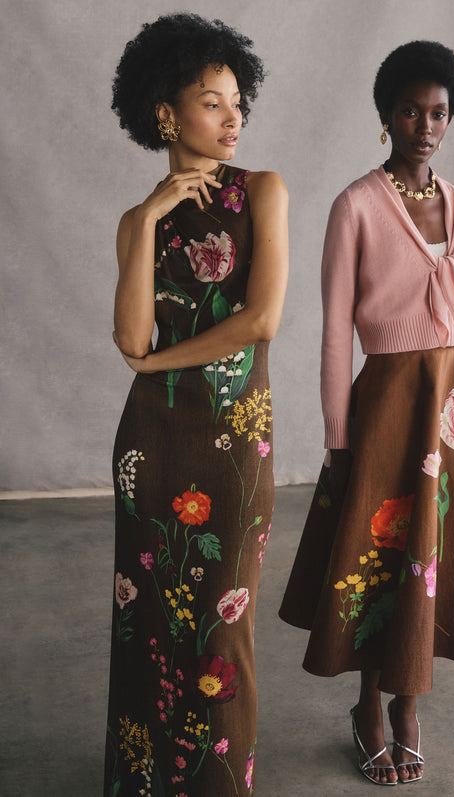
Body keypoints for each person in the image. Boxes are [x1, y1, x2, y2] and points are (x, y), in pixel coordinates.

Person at [279, 40, 454, 786]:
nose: (424, 125)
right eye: (409, 110)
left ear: (450, 117)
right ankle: (369, 703)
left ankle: (408, 706)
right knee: (383, 561)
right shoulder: (356, 206)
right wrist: (338, 431)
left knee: (438, 559)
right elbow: (336, 326)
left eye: (437, 112)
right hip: (391, 406)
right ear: (385, 117)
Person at [105, 14, 288, 795]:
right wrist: (149, 218)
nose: (233, 115)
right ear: (166, 112)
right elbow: (130, 334)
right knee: (146, 625)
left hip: (233, 445)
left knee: (223, 625)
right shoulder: (136, 220)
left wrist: (161, 363)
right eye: (213, 101)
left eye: (238, 100)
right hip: (150, 447)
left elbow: (260, 321)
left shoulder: (264, 193)